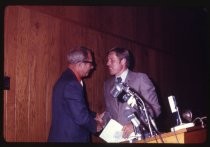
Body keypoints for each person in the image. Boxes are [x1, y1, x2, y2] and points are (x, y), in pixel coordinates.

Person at [99, 47, 161, 139]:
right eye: (108, 60)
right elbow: (111, 111)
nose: (108, 63)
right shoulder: (107, 84)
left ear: (123, 61)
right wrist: (102, 120)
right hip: (117, 139)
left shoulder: (140, 79)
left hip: (141, 137)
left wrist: (135, 125)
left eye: (112, 60)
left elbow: (155, 109)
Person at [48, 46, 103, 142]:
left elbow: (74, 109)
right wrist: (97, 126)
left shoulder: (66, 79)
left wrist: (95, 115)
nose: (92, 67)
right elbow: (81, 117)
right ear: (80, 64)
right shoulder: (72, 84)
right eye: (90, 63)